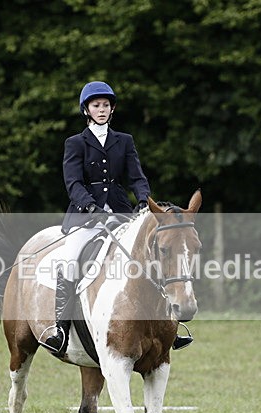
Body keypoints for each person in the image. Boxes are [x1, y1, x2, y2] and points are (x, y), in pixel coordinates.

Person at [40, 81, 193, 356]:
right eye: (96, 105)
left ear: (112, 109)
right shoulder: (75, 143)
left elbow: (137, 177)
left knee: (152, 259)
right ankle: (61, 330)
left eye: (106, 105)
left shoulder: (124, 141)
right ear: (86, 109)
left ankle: (169, 326)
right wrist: (90, 206)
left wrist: (145, 202)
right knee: (70, 261)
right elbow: (73, 183)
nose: (101, 109)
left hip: (122, 214)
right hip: (85, 218)